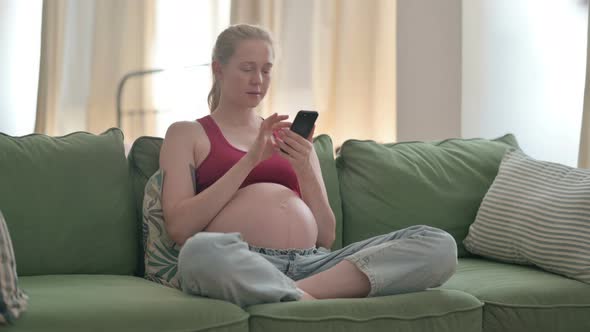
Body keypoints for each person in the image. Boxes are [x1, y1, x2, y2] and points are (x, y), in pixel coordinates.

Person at [159, 24, 457, 307]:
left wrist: (303, 168)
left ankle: (296, 295)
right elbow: (180, 228)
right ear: (218, 69)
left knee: (439, 244)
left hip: (313, 263)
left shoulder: (290, 140)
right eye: (247, 69)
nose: (258, 80)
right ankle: (293, 292)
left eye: (266, 70)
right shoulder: (186, 133)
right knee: (198, 254)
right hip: (240, 260)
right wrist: (250, 161)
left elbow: (326, 237)